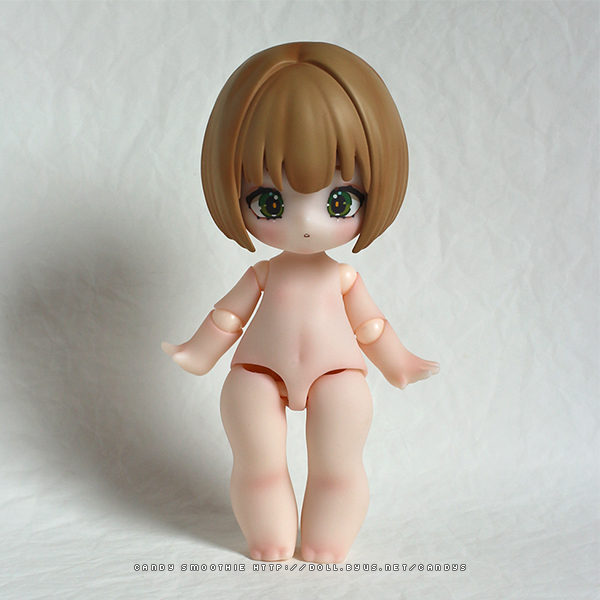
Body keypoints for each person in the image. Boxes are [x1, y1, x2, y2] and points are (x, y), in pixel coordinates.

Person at [163, 42, 439, 564]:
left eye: (339, 200)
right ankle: (268, 535)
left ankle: (326, 539)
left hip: (337, 375)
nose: (307, 223)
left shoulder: (342, 277)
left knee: (338, 466)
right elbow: (228, 316)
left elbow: (371, 327)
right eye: (270, 202)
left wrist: (398, 363)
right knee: (258, 464)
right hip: (257, 372)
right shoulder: (263, 274)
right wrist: (198, 353)